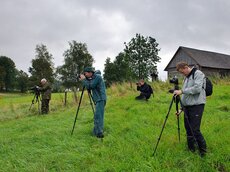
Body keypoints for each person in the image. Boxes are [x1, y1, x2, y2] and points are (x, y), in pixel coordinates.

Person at [174, 62, 207, 157]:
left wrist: (182, 91)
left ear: (186, 67)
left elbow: (197, 89)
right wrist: (181, 109)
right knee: (188, 129)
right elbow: (185, 96)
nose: (182, 74)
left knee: (195, 130)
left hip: (197, 106)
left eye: (182, 72)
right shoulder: (186, 77)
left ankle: (203, 152)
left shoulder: (198, 74)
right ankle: (191, 149)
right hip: (187, 107)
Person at [79, 67, 107, 138]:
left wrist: (84, 80)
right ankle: (96, 131)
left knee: (98, 116)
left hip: (100, 99)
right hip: (98, 99)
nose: (85, 75)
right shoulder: (94, 78)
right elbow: (89, 84)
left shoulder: (98, 77)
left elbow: (91, 85)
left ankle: (99, 133)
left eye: (85, 74)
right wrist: (86, 80)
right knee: (97, 116)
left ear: (90, 72)